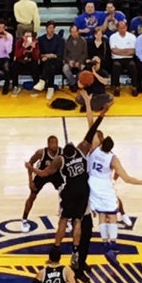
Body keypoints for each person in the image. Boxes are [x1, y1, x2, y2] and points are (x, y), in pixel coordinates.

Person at [25, 109, 108, 265]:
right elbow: (91, 131)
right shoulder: (81, 150)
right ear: (74, 149)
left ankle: (56, 249)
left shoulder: (60, 160)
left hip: (69, 192)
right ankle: (75, 253)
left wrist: (31, 168)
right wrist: (102, 114)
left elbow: (43, 174)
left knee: (63, 221)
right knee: (77, 221)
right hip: (83, 191)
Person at [88, 123, 142, 263]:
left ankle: (105, 243)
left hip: (92, 184)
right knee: (111, 216)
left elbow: (91, 124)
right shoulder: (113, 159)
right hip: (105, 186)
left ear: (101, 143)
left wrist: (89, 104)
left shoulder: (94, 149)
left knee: (101, 215)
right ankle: (112, 244)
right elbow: (128, 179)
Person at [21, 136, 64, 234]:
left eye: (56, 143)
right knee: (32, 196)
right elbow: (30, 164)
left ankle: (66, 218)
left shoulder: (62, 152)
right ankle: (24, 220)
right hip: (41, 175)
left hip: (55, 175)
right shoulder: (41, 153)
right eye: (52, 143)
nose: (55, 145)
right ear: (48, 144)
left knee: (65, 194)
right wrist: (30, 180)